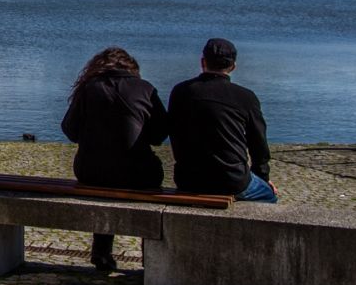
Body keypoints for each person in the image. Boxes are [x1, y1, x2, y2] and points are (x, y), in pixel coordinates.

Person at [61, 47, 168, 271]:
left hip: (90, 171)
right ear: (131, 68)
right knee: (142, 177)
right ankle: (148, 253)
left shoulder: (89, 89)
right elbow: (160, 135)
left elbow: (70, 131)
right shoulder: (145, 89)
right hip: (138, 173)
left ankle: (101, 250)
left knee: (106, 175)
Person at [168, 38, 276, 202]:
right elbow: (258, 144)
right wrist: (262, 177)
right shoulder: (245, 97)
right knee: (269, 196)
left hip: (188, 179)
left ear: (203, 62)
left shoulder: (180, 91)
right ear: (233, 66)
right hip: (231, 180)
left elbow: (173, 131)